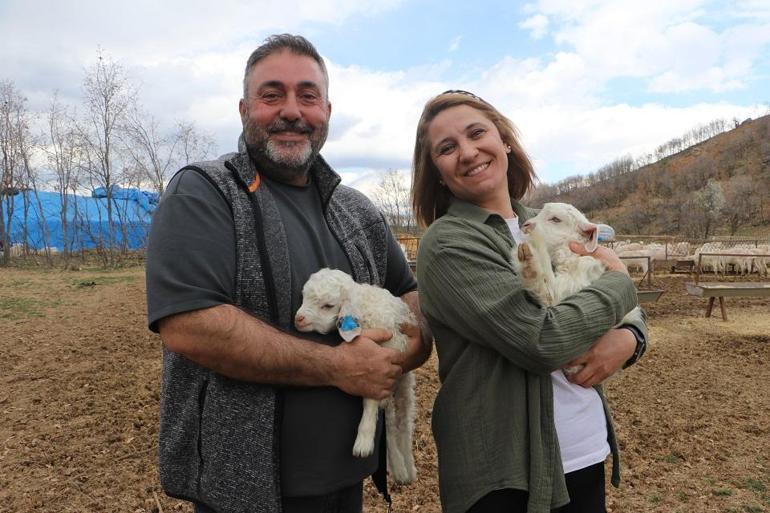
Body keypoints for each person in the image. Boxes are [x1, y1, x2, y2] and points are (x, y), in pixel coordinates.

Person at [145, 34, 432, 513]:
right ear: (243, 109)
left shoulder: (356, 209)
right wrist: (338, 368)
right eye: (271, 94)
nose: (292, 110)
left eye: (308, 95)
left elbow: (410, 294)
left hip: (348, 475)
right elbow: (191, 325)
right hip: (247, 488)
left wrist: (412, 347)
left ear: (327, 110)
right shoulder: (205, 192)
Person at [410, 90, 648, 513]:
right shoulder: (449, 244)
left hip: (583, 451)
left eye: (476, 133)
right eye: (447, 148)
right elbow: (542, 340)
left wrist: (630, 337)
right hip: (504, 476)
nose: (467, 152)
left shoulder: (546, 221)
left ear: (503, 141)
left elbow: (604, 295)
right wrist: (621, 281)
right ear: (438, 172)